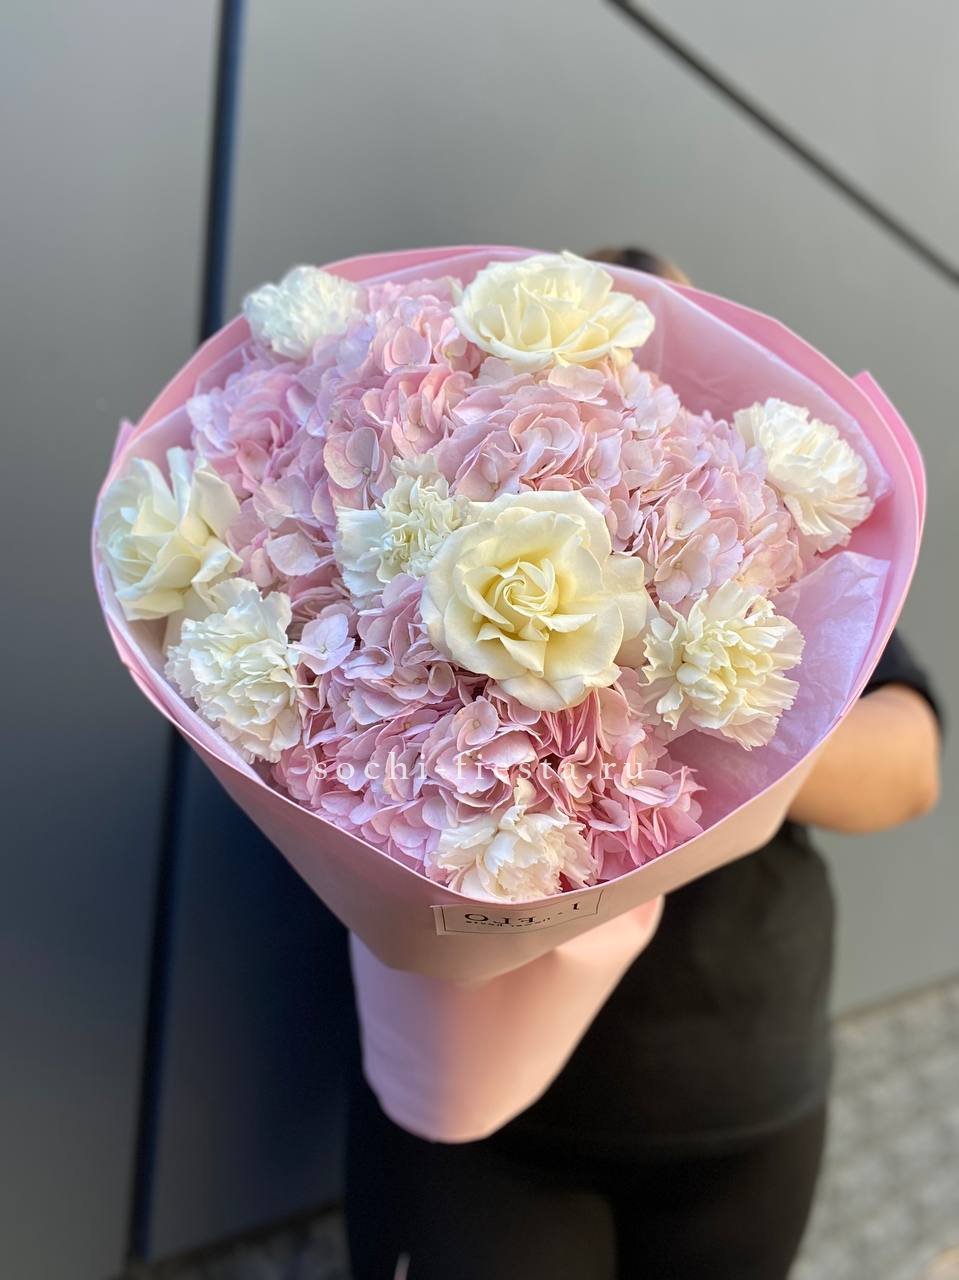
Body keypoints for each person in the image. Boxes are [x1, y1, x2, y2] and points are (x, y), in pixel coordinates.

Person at [345, 249, 943, 1280]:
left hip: (736, 1096)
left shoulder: (764, 537)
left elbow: (909, 765)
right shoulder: (412, 513)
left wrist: (683, 707)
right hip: (483, 1119)